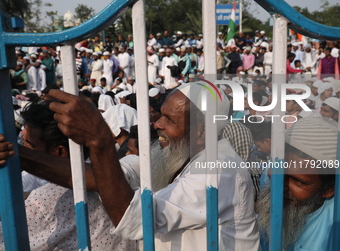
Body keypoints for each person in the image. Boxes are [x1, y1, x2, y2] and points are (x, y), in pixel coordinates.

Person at [5, 82, 260, 250]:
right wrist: (17, 154)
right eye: (160, 114)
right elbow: (101, 178)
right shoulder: (178, 152)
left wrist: (99, 140)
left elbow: (138, 221)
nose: (157, 124)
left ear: (202, 132)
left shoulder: (219, 169)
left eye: (169, 119)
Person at [0, 100, 136, 250]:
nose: (24, 147)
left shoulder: (46, 202)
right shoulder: (119, 175)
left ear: (59, 152)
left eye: (29, 146)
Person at [257, 117, 337, 251]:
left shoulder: (333, 225)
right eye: (277, 170)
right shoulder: (270, 177)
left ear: (329, 189)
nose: (278, 186)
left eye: (298, 181)